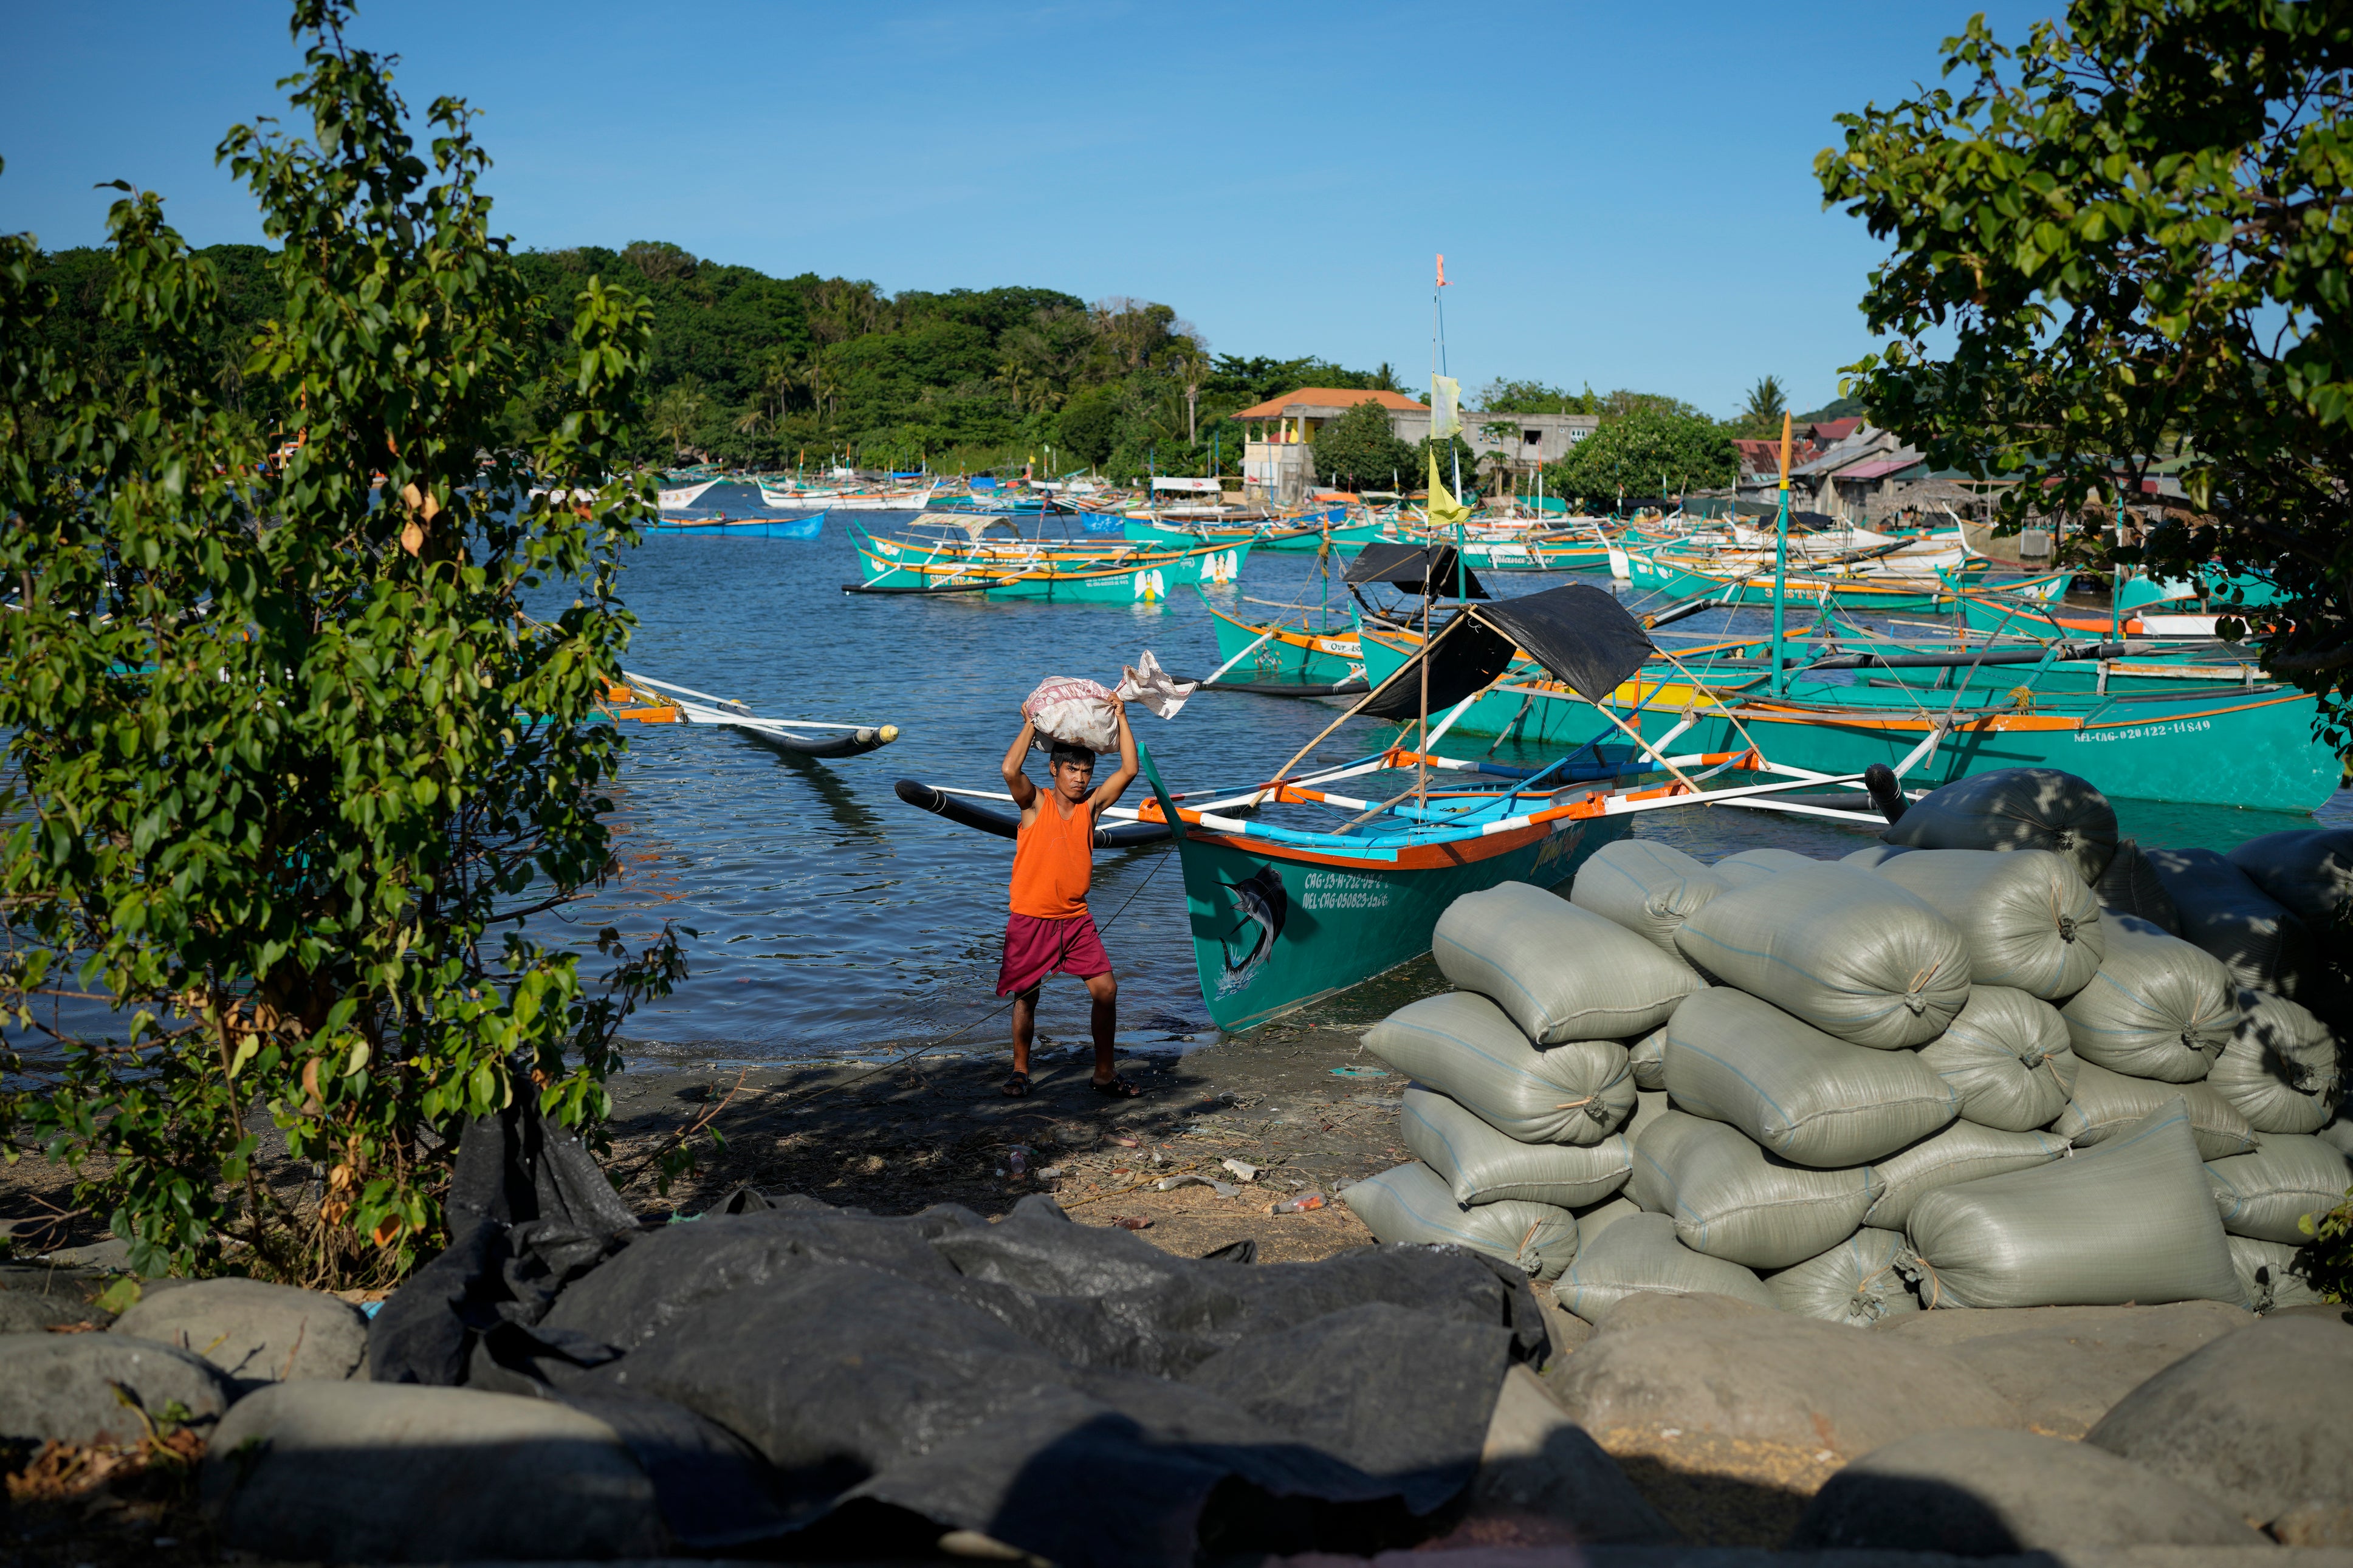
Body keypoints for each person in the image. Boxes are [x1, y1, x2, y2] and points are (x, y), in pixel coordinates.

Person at [996, 697, 1141, 1100]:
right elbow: (1010, 769)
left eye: (1086, 770)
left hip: (1076, 922)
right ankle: (1021, 1070)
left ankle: (1104, 1075)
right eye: (1071, 769)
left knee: (1106, 990)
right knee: (1028, 995)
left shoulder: (1090, 808)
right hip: (1030, 919)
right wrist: (1030, 724)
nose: (1080, 777)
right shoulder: (1035, 803)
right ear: (1054, 769)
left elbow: (1130, 769)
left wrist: (1123, 716)